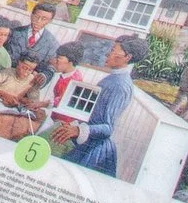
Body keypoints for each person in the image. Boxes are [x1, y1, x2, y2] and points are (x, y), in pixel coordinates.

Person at [51, 34, 146, 176]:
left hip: (94, 151)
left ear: (127, 57)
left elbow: (108, 127)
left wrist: (77, 130)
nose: (108, 53)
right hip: (87, 143)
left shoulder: (120, 85)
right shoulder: (114, 78)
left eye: (114, 50)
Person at [4, 3, 62, 70]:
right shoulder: (14, 32)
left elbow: (49, 67)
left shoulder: (52, 44)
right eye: (36, 17)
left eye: (44, 19)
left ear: (50, 21)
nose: (38, 21)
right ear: (31, 15)